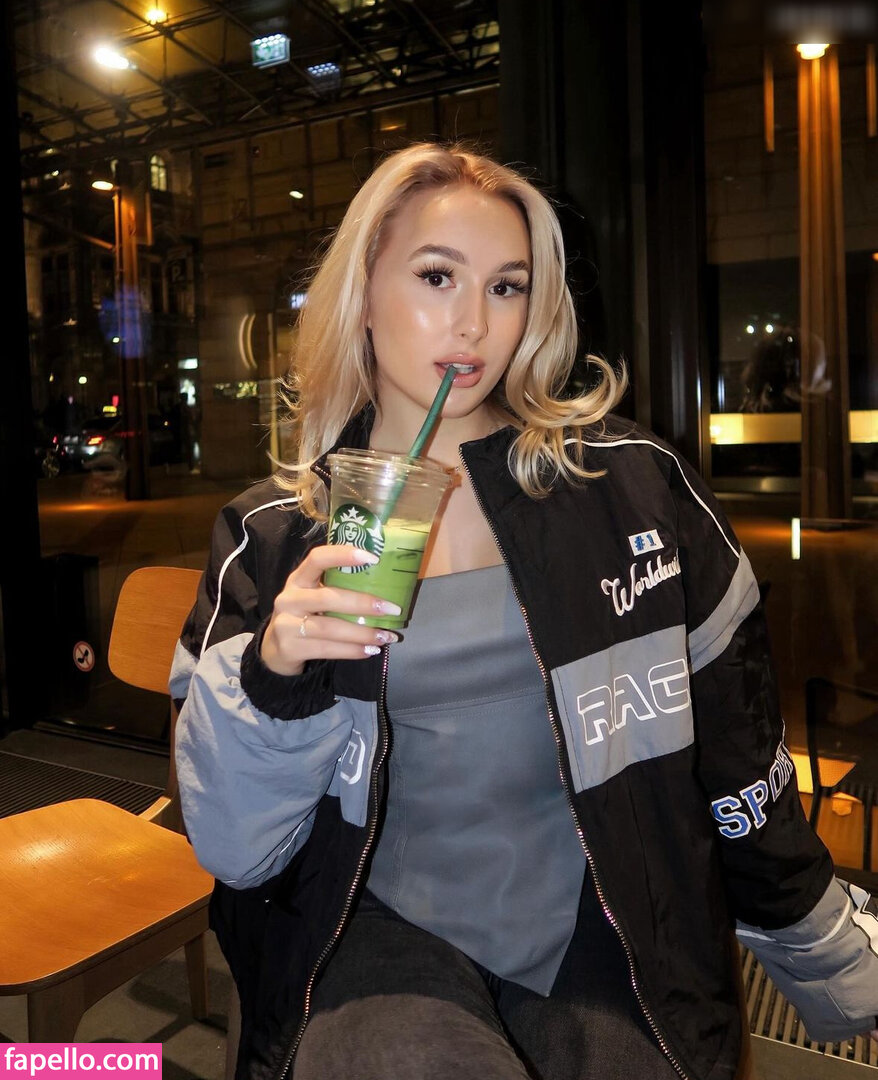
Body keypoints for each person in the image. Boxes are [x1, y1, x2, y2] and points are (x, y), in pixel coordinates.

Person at [172, 141, 878, 1080]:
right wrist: (274, 676)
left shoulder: (631, 489)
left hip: (601, 905)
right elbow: (236, 849)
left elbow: (737, 749)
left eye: (506, 287)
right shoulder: (270, 534)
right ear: (363, 294)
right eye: (437, 276)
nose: (473, 323)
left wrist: (823, 945)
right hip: (368, 914)